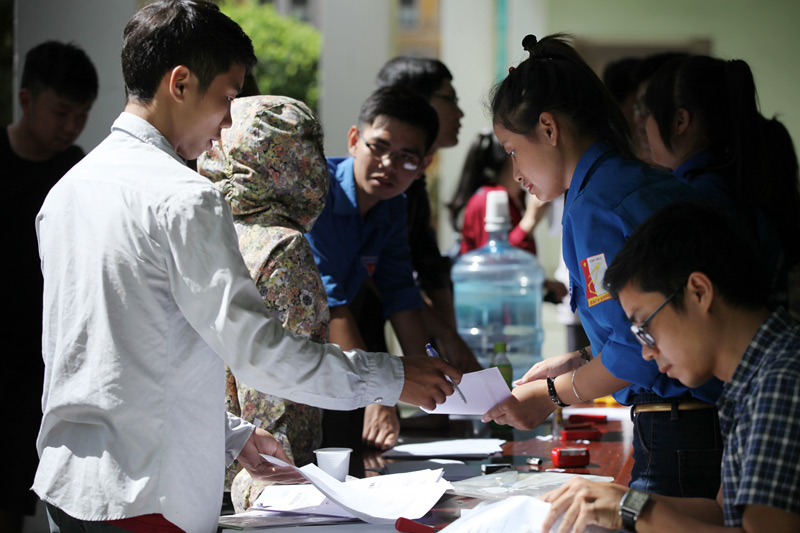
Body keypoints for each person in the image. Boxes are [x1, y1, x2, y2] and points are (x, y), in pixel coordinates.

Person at [33, 2, 459, 532]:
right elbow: (261, 356)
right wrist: (391, 378)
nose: (230, 122)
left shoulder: (69, 189)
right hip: (147, 498)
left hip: (67, 485)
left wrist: (230, 433)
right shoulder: (186, 198)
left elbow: (116, 360)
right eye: (228, 98)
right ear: (181, 83)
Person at [482, 34, 724, 498]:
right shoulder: (632, 179)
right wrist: (579, 360)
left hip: (680, 427)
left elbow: (640, 351)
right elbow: (639, 329)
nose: (514, 172)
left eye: (512, 149)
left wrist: (551, 395)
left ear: (549, 129)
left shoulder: (594, 208)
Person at [539, 202, 800, 533]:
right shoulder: (751, 378)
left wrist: (633, 511)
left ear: (699, 292)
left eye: (645, 327)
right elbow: (722, 513)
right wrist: (616, 498)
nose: (646, 352)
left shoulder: (782, 379)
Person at [307, 86, 479, 457]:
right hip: (298, 357)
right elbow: (332, 304)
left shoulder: (392, 206)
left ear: (423, 166)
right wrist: (381, 390)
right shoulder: (318, 196)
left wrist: (440, 386)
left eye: (406, 157)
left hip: (341, 359)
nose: (388, 165)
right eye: (379, 147)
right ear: (354, 140)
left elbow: (401, 294)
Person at [197, 95, 330, 512]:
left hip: (198, 467)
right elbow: (279, 383)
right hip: (263, 479)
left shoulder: (204, 231)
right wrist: (277, 487)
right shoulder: (281, 248)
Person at [1, 40, 97, 533]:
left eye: (81, 115)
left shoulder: (77, 170)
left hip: (42, 360)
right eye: (62, 112)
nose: (70, 127)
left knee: (19, 493)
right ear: (25, 100)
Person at [643, 54, 800, 308]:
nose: (644, 125)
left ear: (680, 121)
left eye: (649, 113)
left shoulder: (692, 198)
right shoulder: (731, 182)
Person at [353, 57, 465, 354]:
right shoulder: (375, 189)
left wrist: (450, 344)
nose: (460, 112)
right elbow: (374, 280)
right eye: (450, 99)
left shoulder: (406, 190)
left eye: (408, 158)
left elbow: (420, 270)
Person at [447, 129, 567, 301]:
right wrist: (530, 221)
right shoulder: (488, 199)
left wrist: (543, 284)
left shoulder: (514, 200)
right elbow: (494, 265)